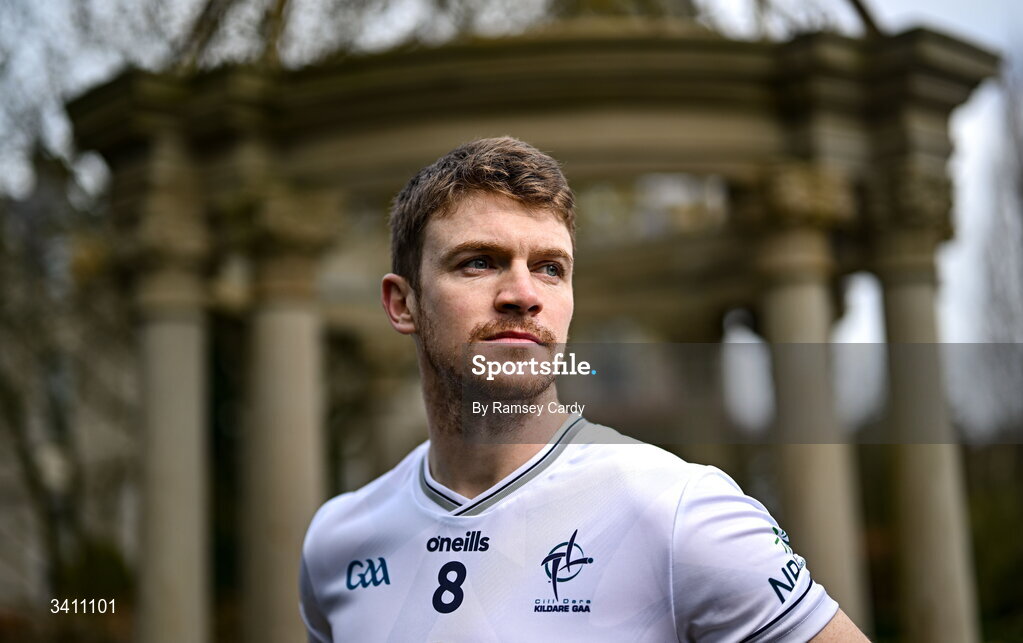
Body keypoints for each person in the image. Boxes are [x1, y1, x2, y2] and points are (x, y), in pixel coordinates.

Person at [299, 137, 868, 641]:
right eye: (479, 262)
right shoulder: (337, 540)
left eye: (550, 268)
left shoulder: (680, 511)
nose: (523, 294)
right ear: (403, 304)